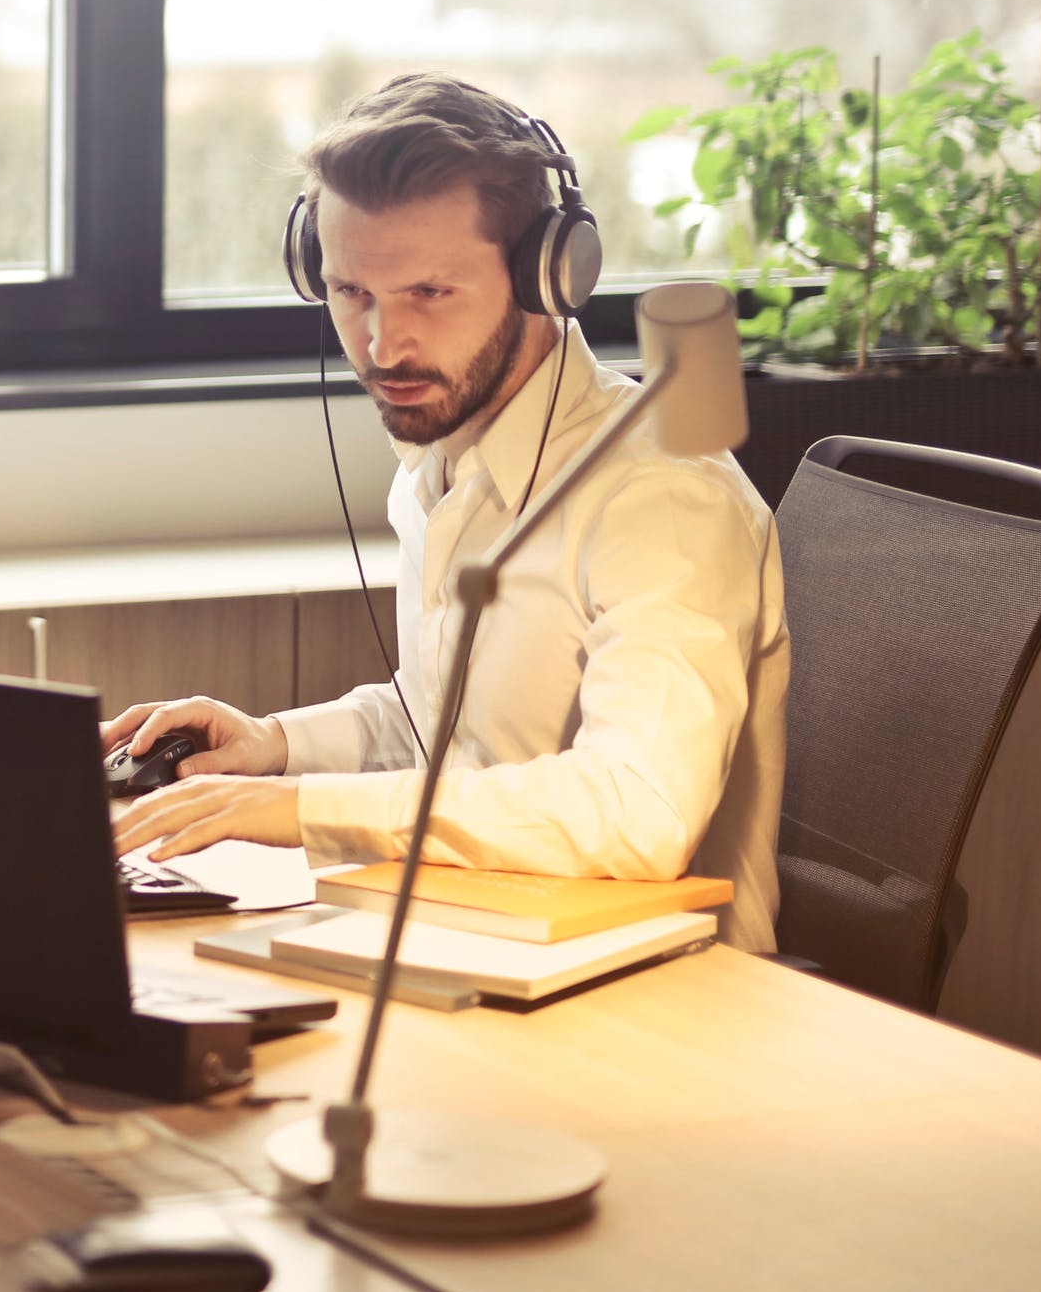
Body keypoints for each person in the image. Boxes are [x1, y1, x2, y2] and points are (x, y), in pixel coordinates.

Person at [108, 74, 789, 949]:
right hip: (477, 934)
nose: (382, 347)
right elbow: (450, 732)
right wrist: (274, 746)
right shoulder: (442, 457)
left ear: (548, 275)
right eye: (351, 294)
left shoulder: (662, 497)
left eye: (429, 294)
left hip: (659, 991)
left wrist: (300, 808)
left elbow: (637, 813)